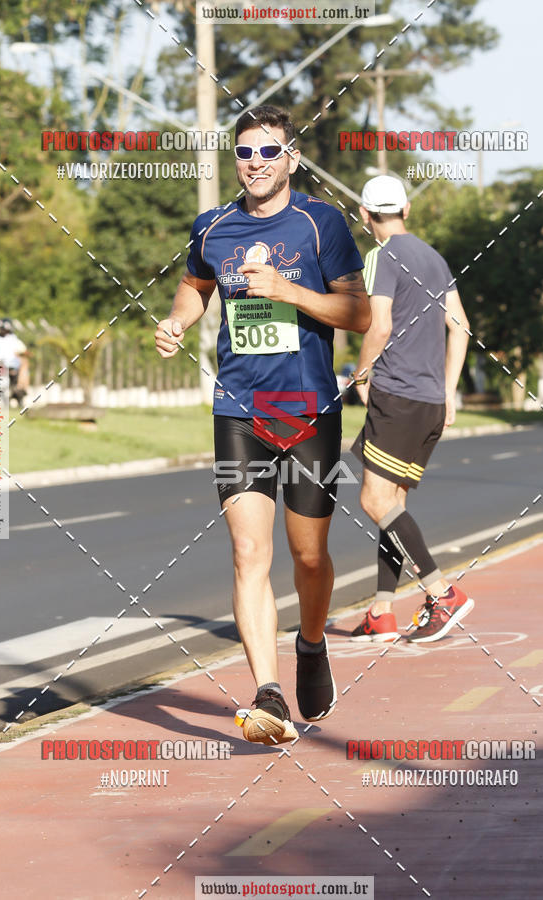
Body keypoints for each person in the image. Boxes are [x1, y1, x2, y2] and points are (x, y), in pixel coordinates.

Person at [155, 105, 370, 744]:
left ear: (290, 158)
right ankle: (267, 695)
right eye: (245, 152)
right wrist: (178, 321)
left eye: (268, 152)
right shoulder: (212, 226)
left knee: (309, 555)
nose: (254, 163)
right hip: (238, 411)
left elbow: (358, 314)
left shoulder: (321, 223)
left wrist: (290, 291)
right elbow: (195, 285)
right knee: (249, 551)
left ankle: (310, 643)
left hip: (308, 413)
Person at [349, 175, 473, 644]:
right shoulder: (434, 257)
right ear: (407, 210)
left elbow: (378, 327)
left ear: (365, 216)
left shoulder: (382, 256)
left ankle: (443, 593)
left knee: (374, 501)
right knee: (393, 506)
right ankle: (382, 610)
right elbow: (460, 327)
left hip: (397, 396)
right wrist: (449, 392)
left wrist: (361, 374)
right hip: (428, 401)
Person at [0, 318, 29, 407]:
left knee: (17, 380)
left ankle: (17, 395)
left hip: (10, 367)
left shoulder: (13, 339)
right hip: (1, 366)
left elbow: (21, 351)